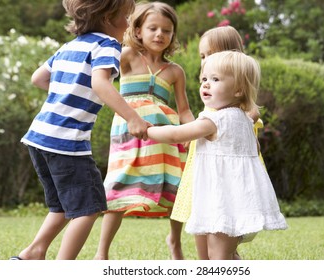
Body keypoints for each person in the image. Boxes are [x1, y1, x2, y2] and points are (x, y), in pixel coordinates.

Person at [11, 0, 150, 260]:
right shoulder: (107, 45)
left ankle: (33, 252)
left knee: (64, 205)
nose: (130, 23)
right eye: (128, 16)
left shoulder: (69, 46)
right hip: (66, 141)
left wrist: (68, 90)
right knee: (89, 208)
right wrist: (132, 118)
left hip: (40, 137)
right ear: (109, 18)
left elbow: (38, 78)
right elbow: (101, 83)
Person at [147, 51, 288, 260]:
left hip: (222, 202)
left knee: (218, 256)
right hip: (240, 200)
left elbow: (176, 134)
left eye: (215, 79)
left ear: (239, 89)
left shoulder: (215, 120)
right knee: (226, 254)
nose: (206, 84)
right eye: (204, 79)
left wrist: (147, 131)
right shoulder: (245, 121)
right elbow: (254, 150)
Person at [94, 2, 194, 260]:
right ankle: (101, 252)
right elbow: (101, 80)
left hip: (166, 135)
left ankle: (175, 241)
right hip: (130, 131)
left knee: (175, 185)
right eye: (153, 28)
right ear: (137, 30)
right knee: (119, 182)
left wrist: (193, 132)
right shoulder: (126, 55)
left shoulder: (175, 71)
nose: (160, 34)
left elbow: (183, 110)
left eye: (167, 30)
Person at [171, 26, 265, 260]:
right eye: (202, 56)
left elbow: (250, 115)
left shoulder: (238, 99)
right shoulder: (214, 90)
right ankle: (206, 261)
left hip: (226, 167)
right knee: (199, 213)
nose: (205, 61)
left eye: (210, 55)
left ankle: (224, 258)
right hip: (202, 162)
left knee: (222, 220)